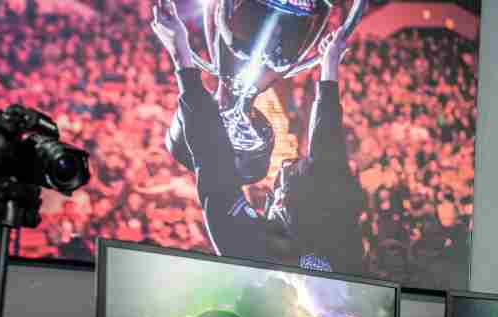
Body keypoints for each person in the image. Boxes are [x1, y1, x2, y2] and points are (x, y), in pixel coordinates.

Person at [151, 0, 364, 270]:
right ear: (282, 200)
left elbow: (212, 165)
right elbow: (212, 165)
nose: (285, 165)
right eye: (283, 178)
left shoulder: (254, 249)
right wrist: (180, 53)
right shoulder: (263, 247)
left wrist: (330, 68)